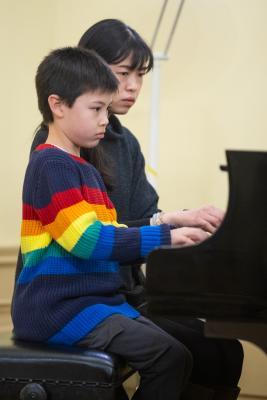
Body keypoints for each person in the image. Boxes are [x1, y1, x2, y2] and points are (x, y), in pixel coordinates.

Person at [28, 19, 243, 400]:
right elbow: (90, 237)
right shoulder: (58, 156)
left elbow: (130, 220)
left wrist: (175, 221)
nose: (131, 87)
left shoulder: (120, 142)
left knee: (222, 350)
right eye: (123, 73)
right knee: (177, 354)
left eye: (140, 75)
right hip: (78, 299)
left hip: (115, 289)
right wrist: (166, 230)